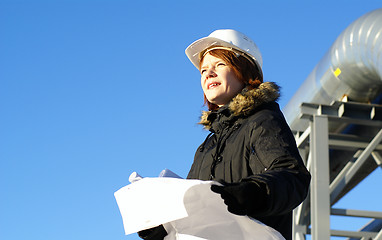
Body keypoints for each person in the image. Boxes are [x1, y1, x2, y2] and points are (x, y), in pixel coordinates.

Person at [138, 29, 311, 240]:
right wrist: (164, 224)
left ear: (246, 72)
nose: (209, 74)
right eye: (203, 70)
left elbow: (292, 178)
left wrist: (252, 192)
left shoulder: (262, 120)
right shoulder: (206, 147)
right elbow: (195, 212)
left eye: (219, 65)